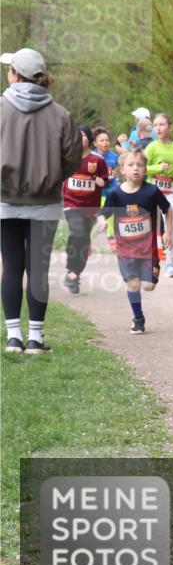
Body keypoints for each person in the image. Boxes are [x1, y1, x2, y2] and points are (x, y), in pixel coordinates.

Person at [1, 48, 82, 353]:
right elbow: (73, 157)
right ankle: (35, 337)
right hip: (46, 202)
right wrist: (54, 176)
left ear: (15, 74)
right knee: (38, 268)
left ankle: (13, 337)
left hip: (4, 201)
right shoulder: (60, 114)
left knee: (10, 266)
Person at [97, 150, 173, 334]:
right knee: (133, 284)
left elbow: (167, 209)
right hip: (126, 249)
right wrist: (100, 220)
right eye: (131, 165)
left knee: (148, 286)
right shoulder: (115, 193)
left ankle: (144, 290)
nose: (135, 169)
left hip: (148, 249)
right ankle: (138, 318)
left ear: (146, 169)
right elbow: (104, 212)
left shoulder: (151, 191)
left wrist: (167, 231)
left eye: (139, 165)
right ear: (122, 169)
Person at [62, 126, 108, 294]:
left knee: (84, 242)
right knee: (78, 233)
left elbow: (105, 181)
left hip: (90, 207)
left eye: (82, 136)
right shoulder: (67, 158)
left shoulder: (98, 160)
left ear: (88, 138)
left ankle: (74, 274)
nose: (79, 139)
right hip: (70, 203)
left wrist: (99, 181)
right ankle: (71, 269)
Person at [144, 113, 173, 278]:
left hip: (170, 189)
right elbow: (142, 168)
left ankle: (170, 264)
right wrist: (157, 168)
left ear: (170, 127)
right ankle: (149, 260)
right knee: (149, 226)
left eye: (162, 124)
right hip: (152, 189)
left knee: (172, 225)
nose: (158, 128)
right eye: (155, 125)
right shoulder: (151, 147)